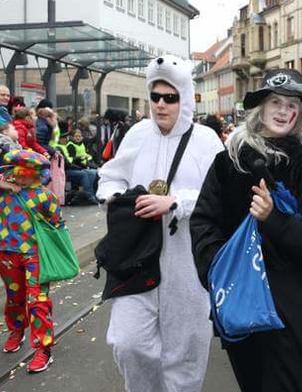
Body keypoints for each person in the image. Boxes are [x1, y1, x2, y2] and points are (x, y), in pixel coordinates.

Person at [191, 68, 302, 392]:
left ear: (300, 114)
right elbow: (203, 222)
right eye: (276, 102)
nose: (284, 111)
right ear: (261, 108)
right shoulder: (229, 162)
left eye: (292, 105)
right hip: (241, 303)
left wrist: (274, 219)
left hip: (292, 309)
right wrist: (219, 270)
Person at [96, 55, 224, 392]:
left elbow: (222, 197)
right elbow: (109, 176)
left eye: (170, 97)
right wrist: (116, 198)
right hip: (137, 256)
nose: (161, 105)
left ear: (184, 98)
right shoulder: (137, 134)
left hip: (186, 260)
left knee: (185, 351)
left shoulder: (207, 140)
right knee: (129, 342)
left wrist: (175, 203)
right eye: (155, 97)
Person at [0, 150, 63, 373]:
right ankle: (17, 330)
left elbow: (58, 225)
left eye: (25, 174)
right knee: (15, 298)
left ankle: (43, 348)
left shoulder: (44, 196)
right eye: (17, 173)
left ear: (36, 175)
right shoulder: (1, 191)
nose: (19, 177)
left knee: (37, 300)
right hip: (5, 253)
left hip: (34, 255)